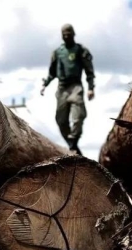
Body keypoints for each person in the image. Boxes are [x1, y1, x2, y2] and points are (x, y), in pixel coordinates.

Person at [40, 23, 95, 155]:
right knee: (61, 119)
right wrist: (44, 85)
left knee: (79, 115)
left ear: (73, 35)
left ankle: (73, 141)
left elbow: (89, 70)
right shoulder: (58, 52)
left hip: (76, 86)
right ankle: (72, 145)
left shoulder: (80, 50)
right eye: (64, 35)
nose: (66, 37)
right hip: (62, 88)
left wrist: (91, 88)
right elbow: (52, 72)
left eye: (69, 34)